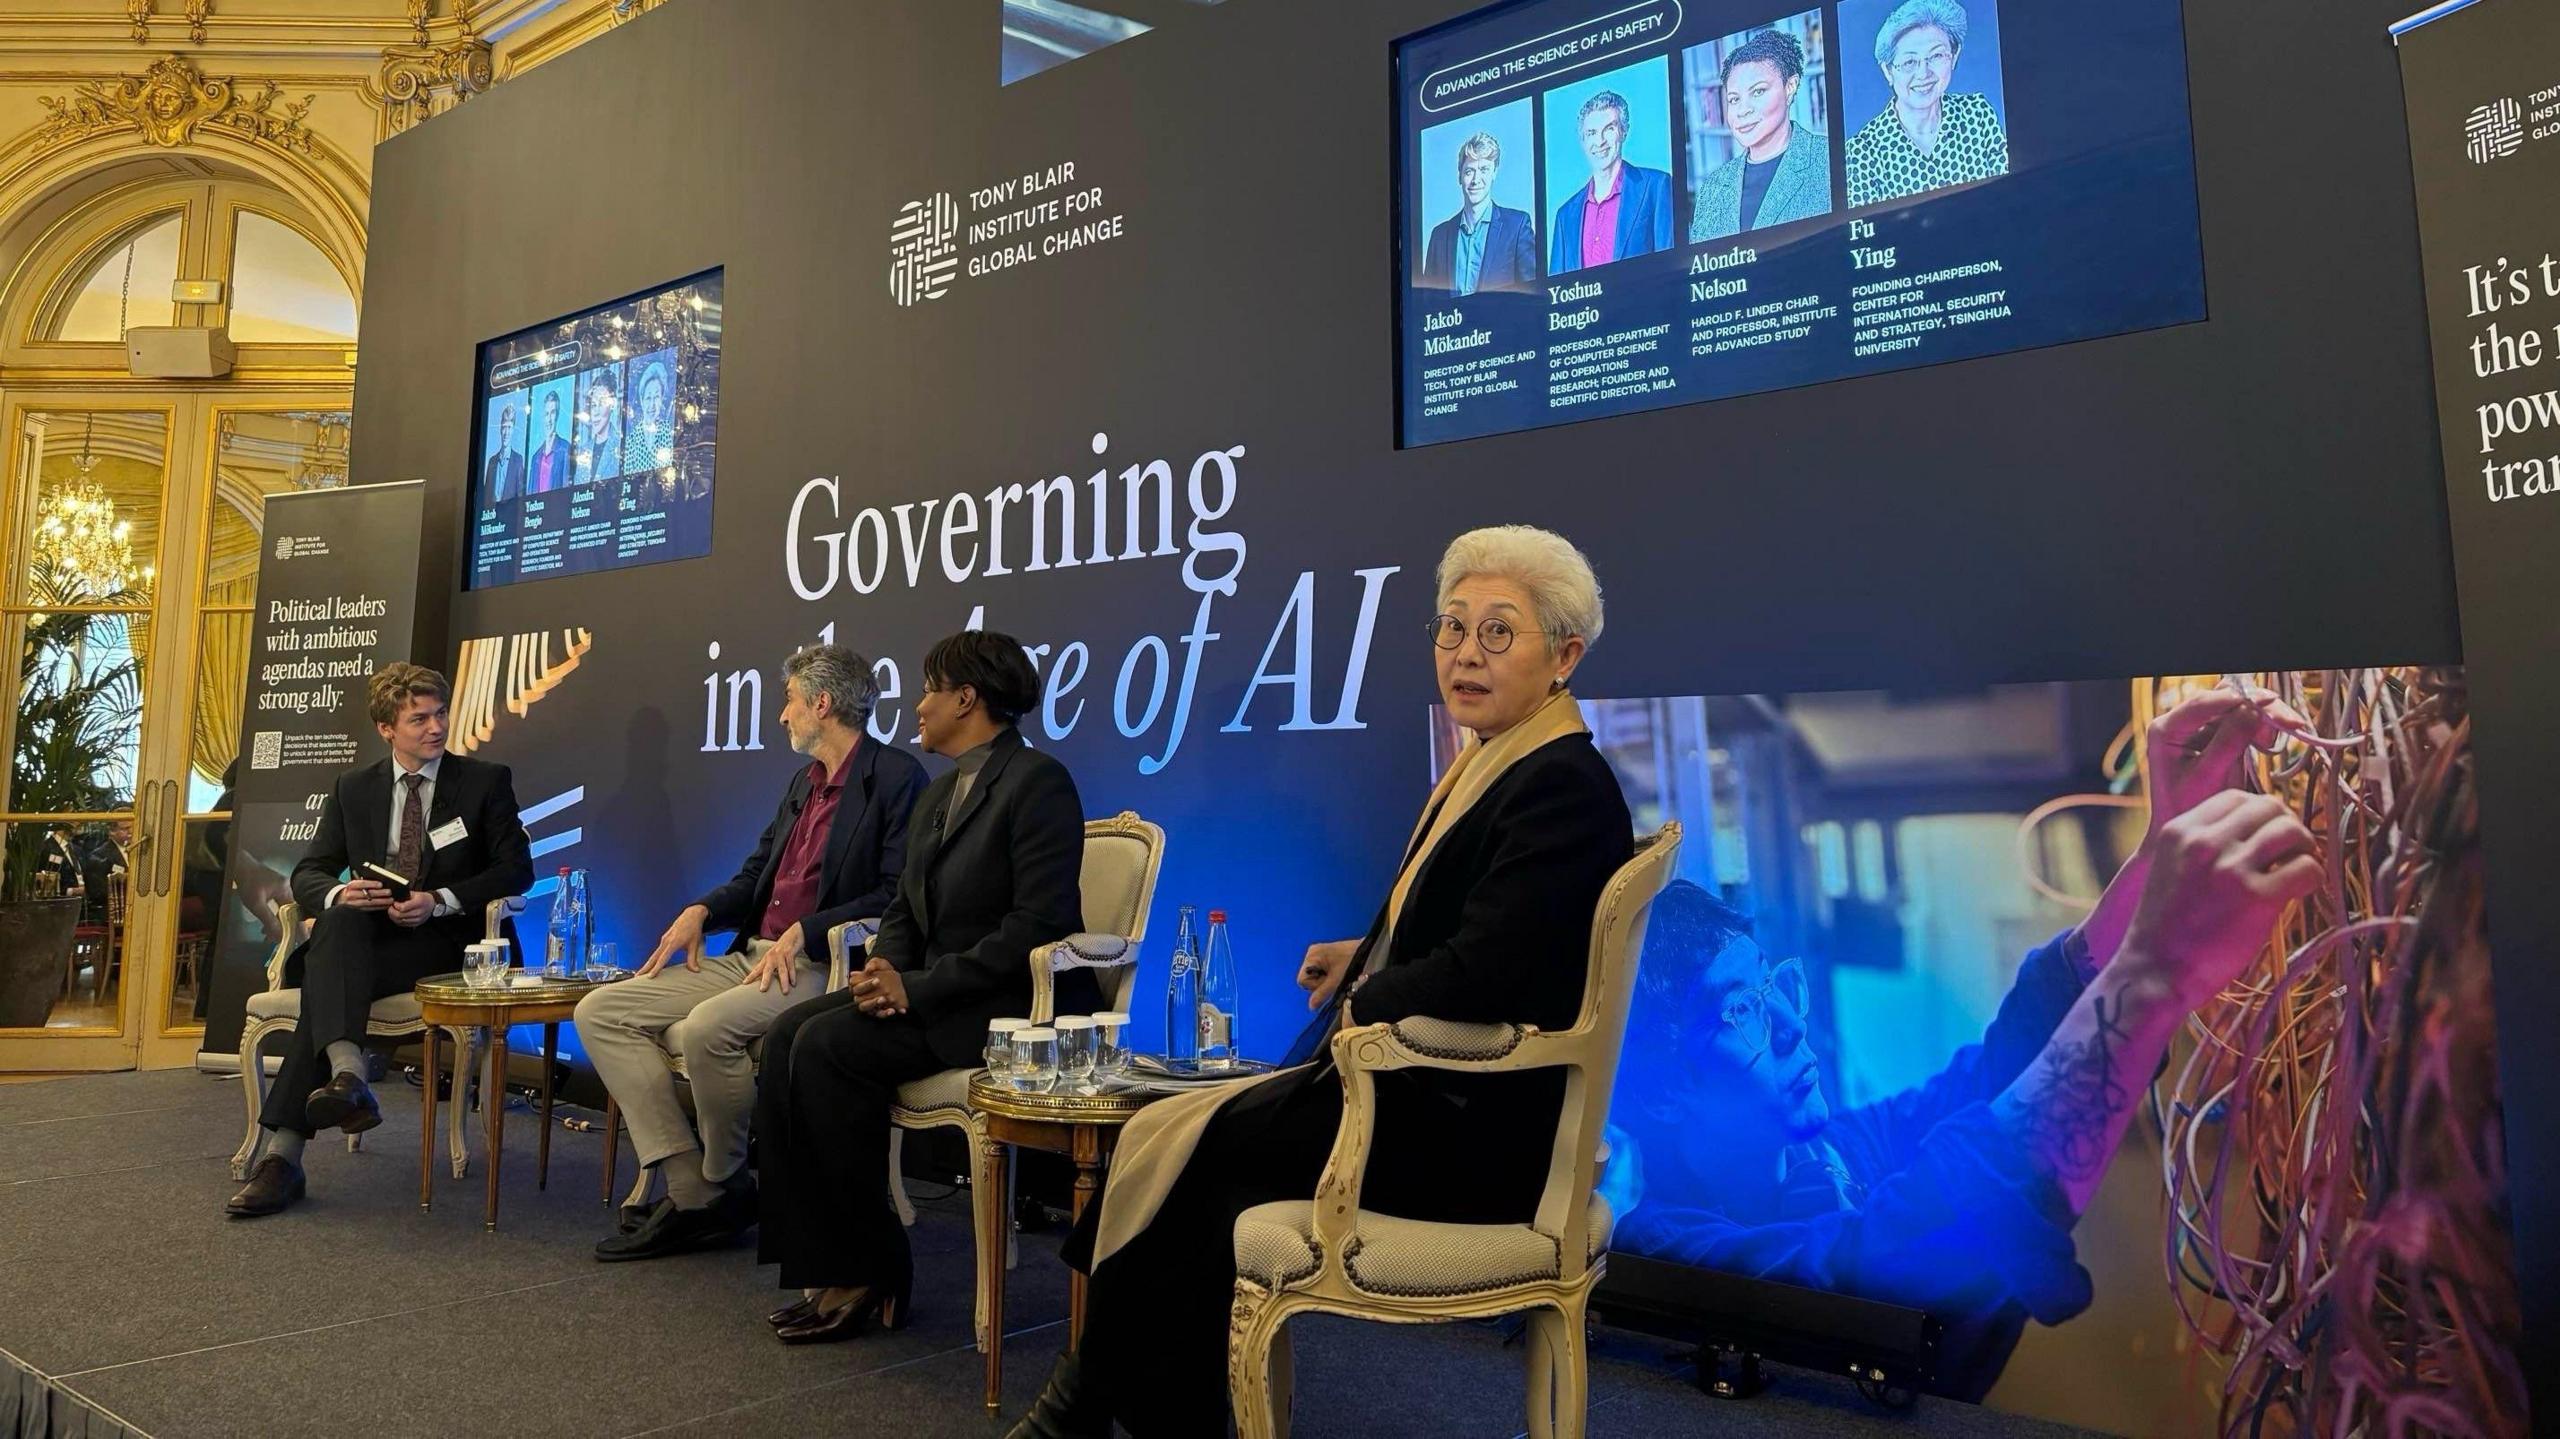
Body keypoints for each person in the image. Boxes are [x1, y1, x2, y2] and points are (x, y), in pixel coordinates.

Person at [1007, 525, 1634, 1437]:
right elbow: (1480, 935)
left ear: (1565, 653)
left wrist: (1366, 1001)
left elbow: (1494, 969)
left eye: (1499, 632)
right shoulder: (1506, 761)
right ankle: (1126, 1408)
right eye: (1451, 628)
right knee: (1171, 1143)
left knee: (1189, 1147)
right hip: (1432, 1092)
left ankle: (1086, 1406)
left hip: (1473, 1127)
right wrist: (1366, 957)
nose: (1465, 652)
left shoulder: (1561, 784)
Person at [1603, 687, 2319, 1399]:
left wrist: (2157, 854)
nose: (1792, 1026)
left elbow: (1990, 1080)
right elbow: (1877, 1269)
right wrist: (2154, 972)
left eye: (1774, 988)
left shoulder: (1823, 1157)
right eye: (1739, 1012)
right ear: (1662, 1090)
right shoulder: (1661, 1253)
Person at [753, 630, 1088, 1344]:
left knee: (827, 1048)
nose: (919, 704)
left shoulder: (1038, 783)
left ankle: (873, 1266)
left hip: (1003, 1010)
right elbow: (903, 909)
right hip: (931, 992)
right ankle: (823, 1262)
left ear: (967, 698)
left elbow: (1037, 924)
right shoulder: (938, 792)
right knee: (787, 1035)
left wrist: (918, 987)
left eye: (931, 689)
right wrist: (884, 972)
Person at [575, 644, 927, 1262]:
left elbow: (895, 894)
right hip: (752, 955)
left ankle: (722, 1182)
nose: (782, 716)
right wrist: (703, 911)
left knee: (706, 1028)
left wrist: (811, 930)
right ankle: (697, 1191)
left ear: (821, 703)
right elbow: (757, 874)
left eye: (789, 701)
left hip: (821, 965)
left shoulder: (895, 780)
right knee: (600, 1012)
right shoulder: (803, 783)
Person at [226, 664, 533, 1218]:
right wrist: (341, 894)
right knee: (341, 920)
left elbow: (516, 872)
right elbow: (311, 871)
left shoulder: (485, 780)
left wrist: (438, 898)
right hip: (371, 944)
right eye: (419, 719)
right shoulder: (355, 788)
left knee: (327, 988)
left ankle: (285, 1155)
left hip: (453, 946)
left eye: (440, 713)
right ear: (386, 728)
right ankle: (347, 1075)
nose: (436, 727)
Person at [1844, 0, 2010, 208]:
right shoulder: (1862, 151)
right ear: (1888, 71)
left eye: (1936, 56)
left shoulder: (1978, 114)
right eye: (1909, 62)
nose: (1924, 74)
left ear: (1954, 57)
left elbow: (2008, 197)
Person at [1690, 29, 1836, 242]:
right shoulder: (1713, 187)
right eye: (1734, 99)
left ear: (1790, 87)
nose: (1743, 110)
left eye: (1758, 92)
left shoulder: (1830, 159)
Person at [1549, 90, 1674, 275]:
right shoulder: (1565, 216)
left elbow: (1671, 269)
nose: (1599, 141)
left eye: (1609, 129)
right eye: (1591, 132)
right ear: (1583, 140)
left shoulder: (1656, 187)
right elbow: (1556, 294)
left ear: (1623, 132)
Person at [1417, 131, 1541, 296]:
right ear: (1460, 176)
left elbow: (1532, 294)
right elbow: (1427, 305)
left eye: (1483, 169)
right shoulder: (1439, 236)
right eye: (1469, 171)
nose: (1476, 179)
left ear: (1494, 173)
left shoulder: (1517, 226)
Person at [624, 359, 677, 481]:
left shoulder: (667, 431)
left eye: (656, 397)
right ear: (642, 400)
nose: (652, 405)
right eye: (648, 398)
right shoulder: (632, 439)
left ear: (662, 398)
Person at [575, 371, 623, 487]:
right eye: (593, 405)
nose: (595, 412)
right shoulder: (583, 451)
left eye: (601, 403)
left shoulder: (620, 445)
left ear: (612, 405)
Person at [528, 391, 575, 495]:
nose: (549, 419)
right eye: (546, 414)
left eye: (553, 413)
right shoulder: (535, 457)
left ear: (557, 415)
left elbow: (566, 490)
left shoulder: (565, 449)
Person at [482, 400, 526, 504]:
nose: (506, 432)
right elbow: (484, 499)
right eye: (504, 427)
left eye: (509, 427)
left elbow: (521, 497)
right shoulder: (492, 461)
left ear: (513, 429)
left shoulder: (518, 460)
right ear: (500, 429)